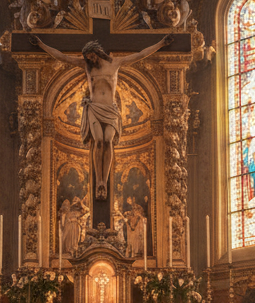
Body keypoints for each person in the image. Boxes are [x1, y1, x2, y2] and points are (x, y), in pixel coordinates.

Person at [33, 35, 172, 199]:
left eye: (91, 56)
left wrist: (161, 44)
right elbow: (62, 57)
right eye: (88, 58)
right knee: (98, 140)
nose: (90, 59)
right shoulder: (87, 66)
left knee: (108, 141)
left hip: (110, 109)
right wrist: (42, 45)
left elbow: (141, 54)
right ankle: (99, 180)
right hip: (94, 108)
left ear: (97, 52)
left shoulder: (115, 63)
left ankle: (104, 180)